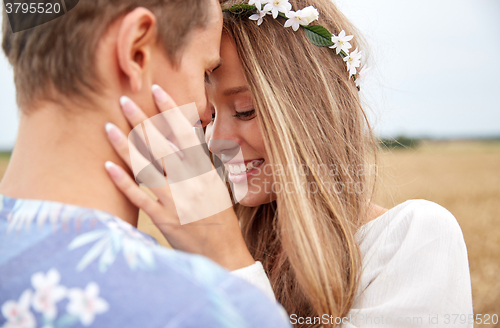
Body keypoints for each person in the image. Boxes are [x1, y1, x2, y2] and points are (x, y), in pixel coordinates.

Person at [103, 0, 474, 327]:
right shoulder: (235, 246)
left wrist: (227, 259)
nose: (215, 140)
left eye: (245, 110)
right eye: (210, 115)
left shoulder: (414, 238)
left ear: (313, 111)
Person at [0, 1, 291, 327]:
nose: (208, 113)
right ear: (136, 51)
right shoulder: (210, 310)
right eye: (205, 72)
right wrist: (234, 272)